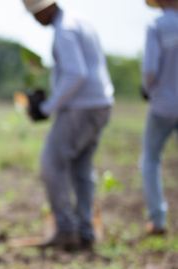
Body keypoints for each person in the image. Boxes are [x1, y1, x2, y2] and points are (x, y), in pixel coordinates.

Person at [23, 0, 114, 251]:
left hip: (80, 107)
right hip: (101, 103)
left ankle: (66, 229)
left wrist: (47, 107)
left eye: (34, 13)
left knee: (52, 164)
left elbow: (76, 73)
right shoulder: (80, 21)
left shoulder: (64, 30)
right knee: (81, 169)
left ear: (45, 8)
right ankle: (86, 231)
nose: (34, 19)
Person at [140, 0, 178, 236]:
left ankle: (158, 219)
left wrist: (147, 87)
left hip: (163, 104)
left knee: (150, 160)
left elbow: (150, 70)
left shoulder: (157, 26)